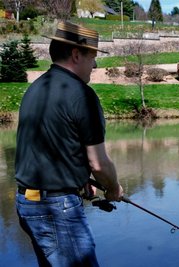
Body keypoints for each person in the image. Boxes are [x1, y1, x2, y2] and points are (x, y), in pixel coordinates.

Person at [15, 21, 124, 267]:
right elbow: (98, 163)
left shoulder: (35, 89)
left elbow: (49, 146)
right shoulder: (82, 96)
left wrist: (79, 178)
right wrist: (114, 188)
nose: (95, 65)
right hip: (56, 210)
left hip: (27, 202)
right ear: (76, 54)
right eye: (92, 57)